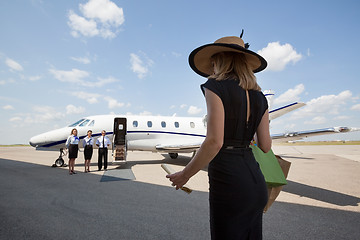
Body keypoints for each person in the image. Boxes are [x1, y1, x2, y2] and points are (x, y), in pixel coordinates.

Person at [167, 33, 272, 239]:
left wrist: (185, 174)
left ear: (221, 60)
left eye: (213, 61)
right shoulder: (260, 97)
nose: (211, 67)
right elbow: (265, 145)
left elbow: (215, 141)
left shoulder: (214, 86)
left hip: (229, 181)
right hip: (255, 183)